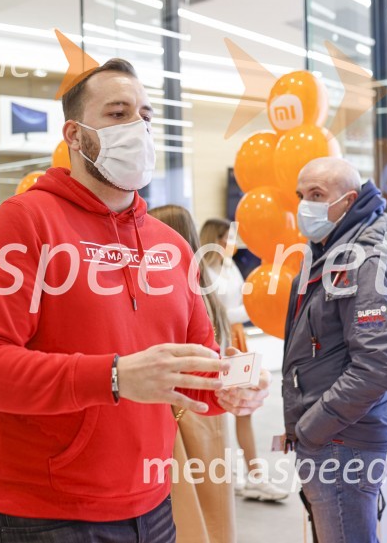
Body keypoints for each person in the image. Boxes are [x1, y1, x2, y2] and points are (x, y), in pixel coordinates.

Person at [0, 58, 271, 543]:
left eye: (144, 114)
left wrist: (229, 385)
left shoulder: (171, 246)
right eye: (118, 113)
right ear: (75, 136)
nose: (138, 127)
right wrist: (115, 377)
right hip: (43, 517)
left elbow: (193, 370)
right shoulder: (23, 223)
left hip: (154, 506)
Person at [282, 157, 387, 543]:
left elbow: (376, 367)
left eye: (317, 195)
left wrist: (311, 428)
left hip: (342, 442)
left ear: (348, 200)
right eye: (301, 195)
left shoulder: (363, 260)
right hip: (336, 438)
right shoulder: (333, 251)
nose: (306, 205)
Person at [149, 204, 236, 543]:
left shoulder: (178, 290)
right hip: (206, 413)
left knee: (186, 513)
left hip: (184, 411)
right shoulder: (204, 286)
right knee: (211, 509)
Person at [200, 218, 289, 503]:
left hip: (236, 340)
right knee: (217, 413)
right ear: (215, 238)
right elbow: (214, 313)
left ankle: (255, 476)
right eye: (227, 237)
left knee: (243, 410)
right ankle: (230, 476)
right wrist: (249, 310)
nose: (233, 243)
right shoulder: (204, 272)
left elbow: (236, 305)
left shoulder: (230, 266)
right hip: (219, 343)